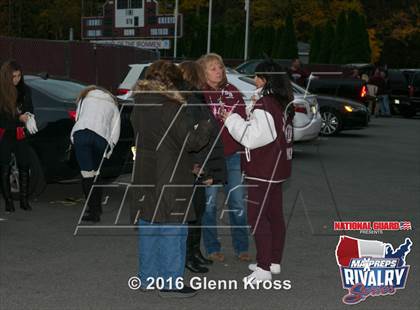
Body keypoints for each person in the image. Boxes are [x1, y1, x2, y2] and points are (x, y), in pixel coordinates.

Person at [130, 60, 212, 298]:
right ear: (172, 81)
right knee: (173, 228)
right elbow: (191, 142)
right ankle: (170, 282)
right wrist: (205, 126)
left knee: (148, 225)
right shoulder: (171, 107)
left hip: (146, 171)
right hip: (170, 172)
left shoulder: (139, 103)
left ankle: (147, 278)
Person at [220, 60, 294, 284]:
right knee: (274, 215)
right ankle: (273, 261)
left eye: (257, 76)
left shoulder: (266, 103)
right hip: (277, 167)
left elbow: (253, 138)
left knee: (258, 217)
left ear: (266, 79)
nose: (254, 80)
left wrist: (231, 119)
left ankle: (264, 268)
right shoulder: (283, 102)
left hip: (264, 169)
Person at [197, 53, 250, 263]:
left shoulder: (232, 91)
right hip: (209, 158)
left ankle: (242, 247)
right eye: (212, 68)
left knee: (237, 203)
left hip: (232, 156)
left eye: (220, 67)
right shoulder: (199, 94)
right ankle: (212, 247)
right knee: (209, 206)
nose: (218, 71)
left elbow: (244, 120)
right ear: (203, 72)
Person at [179, 61, 227, 273]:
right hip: (192, 166)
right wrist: (202, 168)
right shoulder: (188, 99)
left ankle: (194, 252)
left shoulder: (195, 96)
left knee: (198, 212)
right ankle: (188, 255)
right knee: (191, 213)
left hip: (197, 165)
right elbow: (193, 138)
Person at [70, 86, 121, 222]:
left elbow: (78, 119)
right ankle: (97, 208)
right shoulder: (113, 103)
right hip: (101, 138)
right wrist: (110, 148)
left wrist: (74, 138)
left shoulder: (84, 98)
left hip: (82, 133)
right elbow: (116, 129)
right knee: (97, 174)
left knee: (87, 174)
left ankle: (93, 211)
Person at [0, 60, 38, 213]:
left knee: (24, 164)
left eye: (19, 76)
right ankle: (8, 201)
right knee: (5, 167)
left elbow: (30, 108)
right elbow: (2, 117)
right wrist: (18, 117)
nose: (16, 79)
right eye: (13, 76)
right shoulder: (1, 91)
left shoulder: (25, 90)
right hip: (5, 132)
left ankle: (24, 200)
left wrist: (28, 115)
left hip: (20, 132)